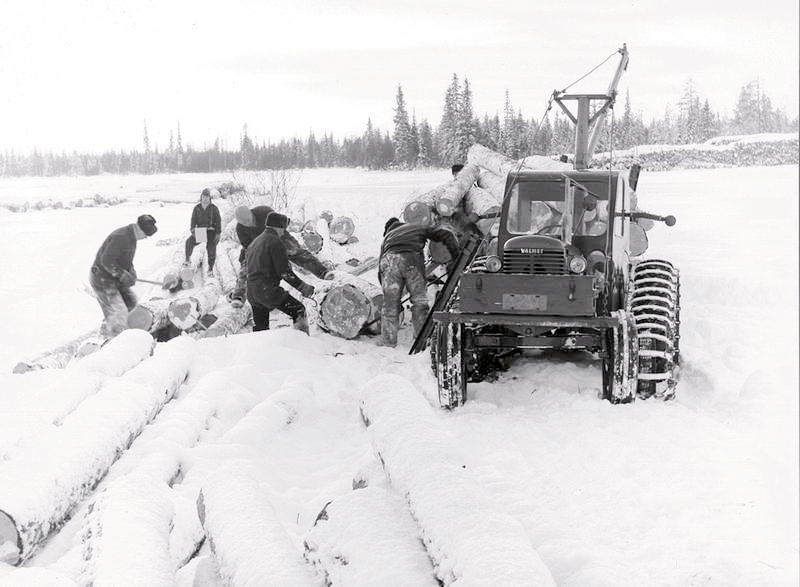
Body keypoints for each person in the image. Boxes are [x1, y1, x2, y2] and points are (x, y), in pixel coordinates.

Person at [378, 217, 461, 347]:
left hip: (389, 261)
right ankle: (421, 340)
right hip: (412, 260)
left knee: (389, 306)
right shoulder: (416, 226)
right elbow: (445, 234)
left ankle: (388, 343)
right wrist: (456, 255)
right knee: (419, 302)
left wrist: (391, 296)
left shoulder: (388, 237)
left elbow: (380, 270)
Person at [229, 204, 328, 306]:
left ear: (251, 213)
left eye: (248, 220)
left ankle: (323, 272)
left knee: (295, 252)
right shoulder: (240, 228)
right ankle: (238, 296)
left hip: (279, 237)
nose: (247, 224)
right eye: (243, 223)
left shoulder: (264, 212)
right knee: (247, 267)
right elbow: (248, 246)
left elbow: (280, 225)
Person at [89, 214, 158, 337]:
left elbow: (126, 261)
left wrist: (131, 272)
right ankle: (107, 339)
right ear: (139, 229)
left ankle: (128, 335)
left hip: (114, 278)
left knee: (132, 304)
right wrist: (122, 275)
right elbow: (106, 261)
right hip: (102, 279)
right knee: (118, 312)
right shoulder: (121, 237)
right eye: (146, 235)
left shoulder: (132, 238)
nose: (145, 238)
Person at [246, 212, 315, 333]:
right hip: (267, 290)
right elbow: (284, 272)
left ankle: (260, 349)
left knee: (261, 328)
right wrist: (303, 287)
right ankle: (303, 343)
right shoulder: (275, 242)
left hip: (252, 291)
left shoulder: (256, 241)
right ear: (278, 227)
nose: (283, 232)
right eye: (283, 229)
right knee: (298, 310)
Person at [185, 188, 221, 276]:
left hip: (211, 231)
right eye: (203, 196)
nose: (205, 198)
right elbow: (193, 220)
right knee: (189, 242)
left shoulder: (214, 208)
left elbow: (218, 221)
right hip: (200, 231)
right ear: (201, 197)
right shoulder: (197, 208)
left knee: (211, 249)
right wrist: (192, 230)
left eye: (207, 196)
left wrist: (218, 233)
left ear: (209, 198)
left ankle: (210, 268)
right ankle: (187, 260)